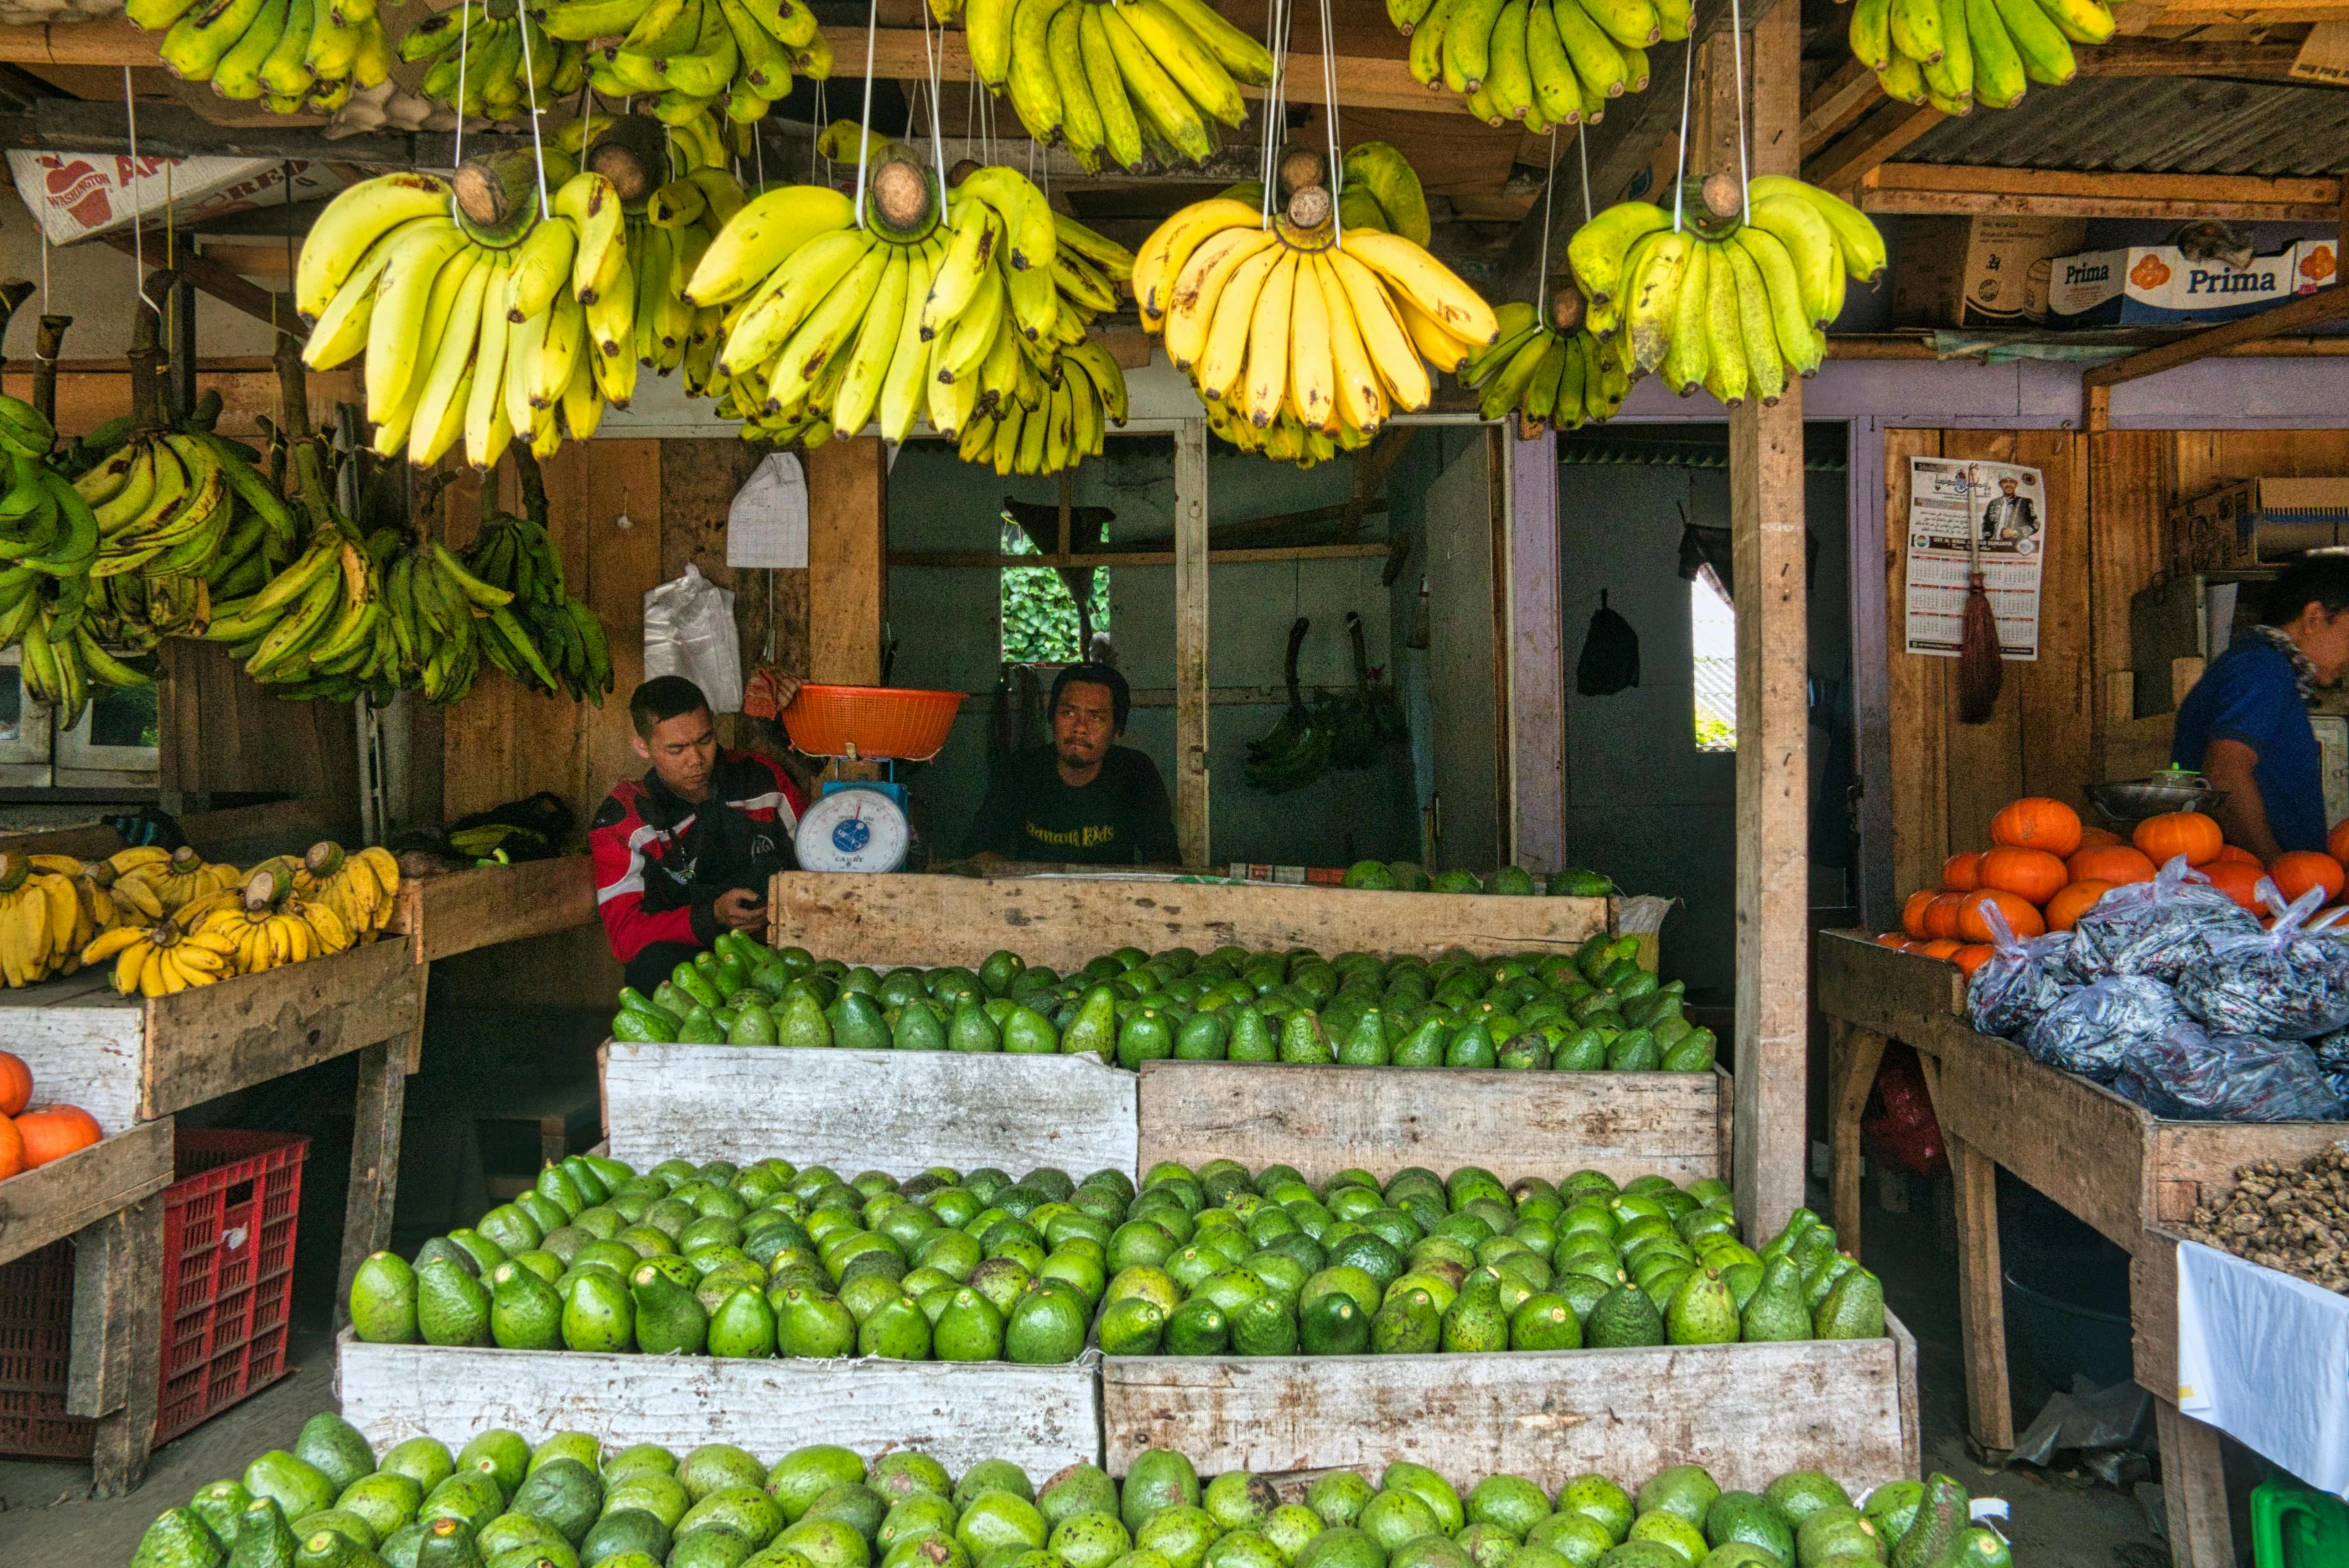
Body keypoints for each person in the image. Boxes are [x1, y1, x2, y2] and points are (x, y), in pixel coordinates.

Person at [592, 674, 808, 993]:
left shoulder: (763, 779)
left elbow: (821, 865)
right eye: (676, 749)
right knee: (651, 965)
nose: (696, 761)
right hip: (695, 965)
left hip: (782, 949)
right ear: (642, 746)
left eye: (705, 740)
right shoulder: (626, 818)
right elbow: (625, 937)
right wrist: (712, 916)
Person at [2172, 556, 2349, 861]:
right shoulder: (2263, 667)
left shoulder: (2261, 666)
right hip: (2256, 887)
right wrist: (2276, 868)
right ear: (2314, 618)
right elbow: (2224, 773)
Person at [967, 662, 1179, 866]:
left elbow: (1163, 859)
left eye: (1095, 717)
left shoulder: (1135, 771)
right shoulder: (1021, 769)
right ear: (1052, 718)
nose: (1079, 728)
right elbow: (982, 851)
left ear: (1116, 730)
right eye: (1068, 713)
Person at [1980, 475, 2037, 544]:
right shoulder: (1993, 503)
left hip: (2015, 546)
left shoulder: (2025, 502)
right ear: (2000, 484)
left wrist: (2015, 532)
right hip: (1994, 545)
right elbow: (1986, 524)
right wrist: (1988, 538)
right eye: (2005, 482)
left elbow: (2035, 525)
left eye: (2012, 482)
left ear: (2016, 484)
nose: (2008, 485)